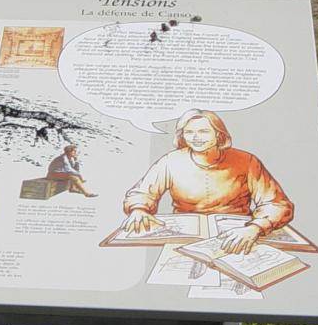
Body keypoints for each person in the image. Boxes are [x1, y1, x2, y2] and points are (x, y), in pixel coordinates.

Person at [122, 109, 293, 254]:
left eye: (204, 131)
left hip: (238, 236)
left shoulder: (247, 161)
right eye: (189, 132)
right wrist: (139, 209)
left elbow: (277, 203)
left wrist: (255, 228)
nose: (196, 137)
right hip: (185, 238)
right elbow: (142, 192)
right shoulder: (170, 161)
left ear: (219, 134)